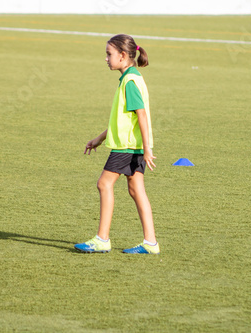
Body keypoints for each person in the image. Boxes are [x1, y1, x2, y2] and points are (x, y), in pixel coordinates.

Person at [74, 34, 159, 254]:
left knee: (104, 184)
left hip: (127, 146)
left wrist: (148, 149)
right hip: (134, 145)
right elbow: (125, 118)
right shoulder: (133, 77)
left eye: (108, 54)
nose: (106, 59)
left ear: (123, 56)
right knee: (135, 189)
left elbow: (141, 115)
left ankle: (102, 239)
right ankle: (151, 243)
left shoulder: (130, 82)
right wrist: (99, 139)